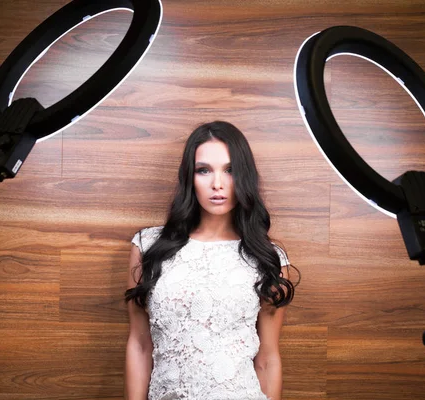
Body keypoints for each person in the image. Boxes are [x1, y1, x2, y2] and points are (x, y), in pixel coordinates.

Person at [124, 121, 299, 400]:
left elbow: (268, 358)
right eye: (204, 170)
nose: (217, 184)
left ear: (245, 177)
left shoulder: (268, 258)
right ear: (189, 177)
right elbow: (140, 345)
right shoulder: (149, 246)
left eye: (230, 170)